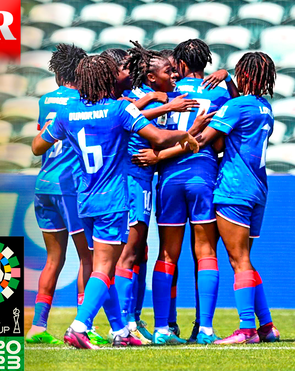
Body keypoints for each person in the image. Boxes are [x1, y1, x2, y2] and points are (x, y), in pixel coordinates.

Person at [32, 55, 199, 350]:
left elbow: (37, 147)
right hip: (112, 199)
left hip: (84, 198)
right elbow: (158, 137)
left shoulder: (66, 113)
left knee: (102, 266)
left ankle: (120, 330)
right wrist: (186, 135)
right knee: (104, 268)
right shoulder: (119, 109)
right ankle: (80, 326)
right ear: (106, 80)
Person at [130, 39, 229, 345]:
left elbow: (155, 138)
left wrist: (159, 157)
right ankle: (206, 330)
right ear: (206, 63)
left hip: (170, 178)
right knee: (206, 253)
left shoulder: (167, 93)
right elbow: (221, 143)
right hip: (204, 176)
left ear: (181, 65)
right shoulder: (220, 92)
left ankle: (161, 329)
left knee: (166, 254)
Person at [193, 51, 280, 345]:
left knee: (238, 260)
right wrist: (229, 80)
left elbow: (203, 139)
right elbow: (240, 109)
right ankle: (266, 326)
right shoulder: (264, 107)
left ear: (244, 76)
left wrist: (170, 144)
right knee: (246, 260)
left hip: (234, 189)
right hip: (257, 190)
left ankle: (246, 328)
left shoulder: (235, 106)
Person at [26, 43, 109, 346]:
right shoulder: (82, 101)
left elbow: (38, 141)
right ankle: (82, 326)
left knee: (53, 259)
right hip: (70, 187)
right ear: (80, 69)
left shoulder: (46, 100)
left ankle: (37, 326)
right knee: (87, 258)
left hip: (44, 184)